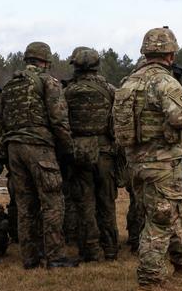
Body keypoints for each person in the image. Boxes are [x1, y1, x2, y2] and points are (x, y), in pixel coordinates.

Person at [114, 27, 182, 290]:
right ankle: (151, 278)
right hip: (162, 162)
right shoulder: (164, 81)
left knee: (164, 213)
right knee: (161, 219)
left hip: (136, 162)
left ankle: (180, 263)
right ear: (170, 54)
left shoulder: (128, 82)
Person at [0, 42, 79, 269]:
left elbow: (1, 120)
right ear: (45, 61)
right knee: (53, 200)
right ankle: (55, 256)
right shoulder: (47, 82)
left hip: (14, 148)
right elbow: (59, 119)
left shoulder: (10, 86)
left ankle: (30, 257)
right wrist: (68, 150)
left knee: (25, 205)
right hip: (39, 147)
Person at [64, 46, 119, 262]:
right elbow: (117, 122)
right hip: (105, 152)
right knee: (107, 202)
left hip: (79, 152)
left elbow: (62, 122)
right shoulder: (111, 90)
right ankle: (111, 249)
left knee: (84, 203)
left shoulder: (67, 92)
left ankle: (90, 251)